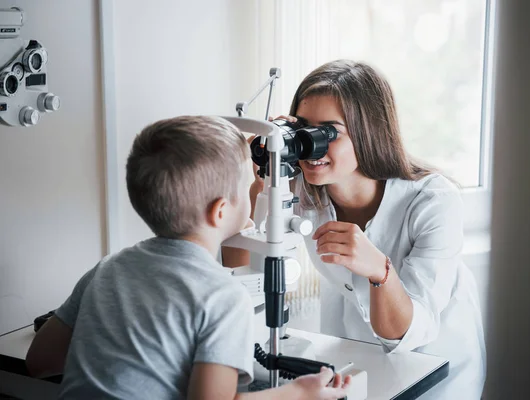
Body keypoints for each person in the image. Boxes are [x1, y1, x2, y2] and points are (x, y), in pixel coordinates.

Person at [25, 116, 350, 400]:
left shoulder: (109, 268)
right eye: (249, 185)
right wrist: (298, 393)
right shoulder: (223, 296)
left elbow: (39, 362)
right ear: (220, 211)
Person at [224, 60, 486, 399]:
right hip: (355, 351)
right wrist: (268, 165)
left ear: (368, 132)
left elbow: (408, 332)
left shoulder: (433, 201)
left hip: (435, 363)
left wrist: (379, 270)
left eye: (328, 133)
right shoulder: (297, 190)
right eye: (302, 129)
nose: (311, 146)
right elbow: (237, 262)